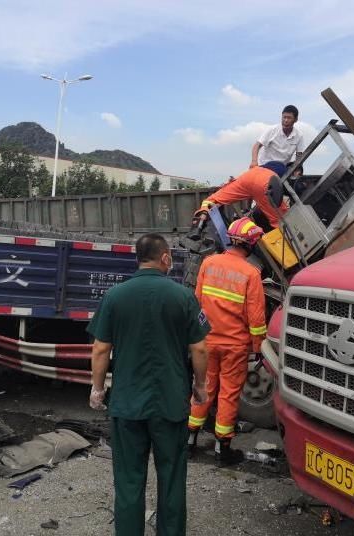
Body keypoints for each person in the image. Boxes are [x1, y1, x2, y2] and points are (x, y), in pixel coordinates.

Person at [88, 233, 210, 536]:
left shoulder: (115, 296)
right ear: (165, 258)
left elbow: (101, 349)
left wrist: (97, 389)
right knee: (171, 478)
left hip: (127, 405)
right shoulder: (183, 296)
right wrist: (201, 386)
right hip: (170, 404)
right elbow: (200, 349)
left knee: (129, 480)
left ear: (138, 258)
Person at [187, 217, 267, 467]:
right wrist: (259, 349)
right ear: (251, 244)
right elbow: (256, 319)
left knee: (204, 387)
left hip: (207, 342)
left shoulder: (208, 263)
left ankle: (190, 440)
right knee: (229, 394)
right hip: (234, 346)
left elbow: (197, 302)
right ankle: (224, 449)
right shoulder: (251, 274)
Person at [195, 161, 288, 229]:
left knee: (213, 199)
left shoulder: (259, 169)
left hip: (249, 175)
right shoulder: (282, 169)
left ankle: (200, 217)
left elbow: (253, 192)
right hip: (266, 182)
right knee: (282, 222)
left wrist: (204, 211)